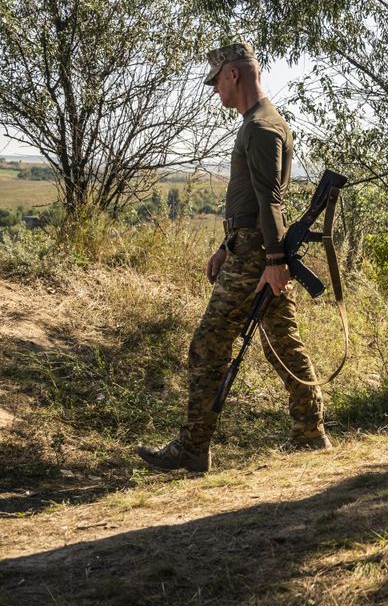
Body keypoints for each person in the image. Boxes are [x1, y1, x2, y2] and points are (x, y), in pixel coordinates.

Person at [136, 41, 329, 473]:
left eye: (216, 81)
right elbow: (253, 203)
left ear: (233, 75)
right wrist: (226, 246)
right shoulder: (257, 122)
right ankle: (311, 433)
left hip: (257, 255)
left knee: (208, 344)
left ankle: (192, 448)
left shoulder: (261, 127)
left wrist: (274, 261)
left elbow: (270, 200)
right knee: (282, 343)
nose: (215, 91)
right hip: (250, 250)